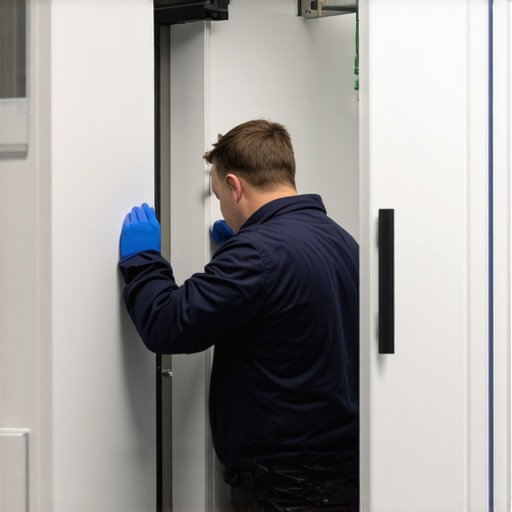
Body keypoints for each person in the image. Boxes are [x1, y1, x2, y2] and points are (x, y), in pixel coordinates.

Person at [119, 119, 359, 512]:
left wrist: (144, 262)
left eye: (218, 196)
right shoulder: (341, 241)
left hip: (285, 492)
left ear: (235, 185)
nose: (223, 209)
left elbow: (169, 324)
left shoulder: (257, 253)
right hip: (344, 479)